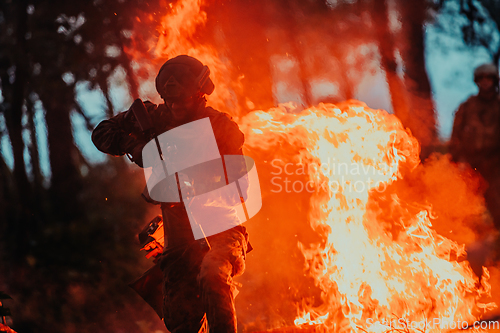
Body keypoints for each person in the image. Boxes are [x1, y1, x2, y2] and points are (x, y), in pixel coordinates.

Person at [92, 55, 250, 333]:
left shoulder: (219, 126)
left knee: (213, 274)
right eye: (171, 100)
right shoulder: (152, 117)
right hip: (178, 238)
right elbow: (102, 132)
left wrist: (199, 176)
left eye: (183, 100)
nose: (176, 106)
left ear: (200, 92)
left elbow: (240, 186)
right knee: (182, 322)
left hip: (222, 230)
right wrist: (136, 145)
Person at [450, 63, 500, 230]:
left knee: (497, 204)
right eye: (481, 78)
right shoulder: (467, 106)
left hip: (495, 165)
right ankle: (467, 244)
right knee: (464, 207)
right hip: (471, 164)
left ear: (495, 80)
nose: (485, 82)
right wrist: (458, 160)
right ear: (476, 81)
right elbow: (455, 136)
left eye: (489, 78)